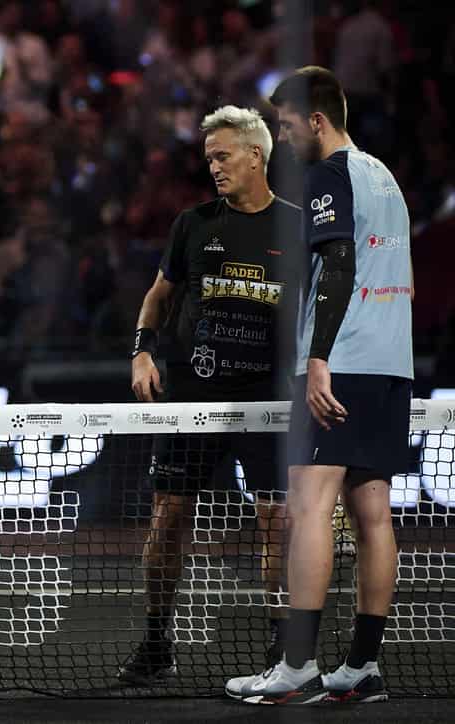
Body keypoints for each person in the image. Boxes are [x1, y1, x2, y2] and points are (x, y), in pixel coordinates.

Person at [226, 66, 412, 705]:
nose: (281, 136)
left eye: (283, 123)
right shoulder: (383, 176)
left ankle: (298, 664)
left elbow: (338, 263)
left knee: (309, 508)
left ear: (315, 120)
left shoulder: (327, 175)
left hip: (343, 361)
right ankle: (361, 665)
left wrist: (321, 359)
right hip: (392, 366)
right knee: (373, 516)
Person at [119, 106, 300, 685]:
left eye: (223, 156)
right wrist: (142, 351)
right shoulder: (193, 223)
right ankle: (155, 642)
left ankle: (283, 647)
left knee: (278, 520)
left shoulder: (298, 226)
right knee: (168, 516)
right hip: (194, 397)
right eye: (209, 159)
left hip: (269, 402)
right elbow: (158, 296)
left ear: (256, 155)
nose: (214, 167)